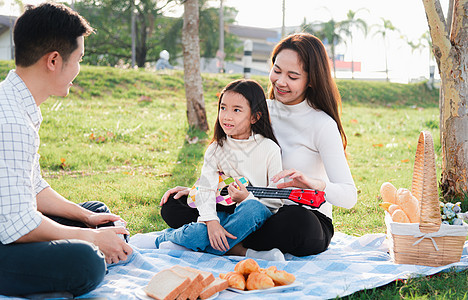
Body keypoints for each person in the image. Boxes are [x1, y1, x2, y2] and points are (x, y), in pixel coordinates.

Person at [160, 33, 357, 257]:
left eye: (292, 76)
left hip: (295, 216)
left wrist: (313, 182)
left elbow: (349, 196)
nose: (281, 82)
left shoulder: (322, 124)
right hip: (245, 208)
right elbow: (231, 160)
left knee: (297, 222)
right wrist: (204, 192)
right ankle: (237, 246)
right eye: (277, 70)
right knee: (173, 205)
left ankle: (217, 243)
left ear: (311, 80)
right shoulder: (259, 110)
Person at [0, 3, 132, 297]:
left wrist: (87, 220)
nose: (79, 69)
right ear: (54, 60)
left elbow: (33, 188)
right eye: (79, 58)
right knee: (86, 262)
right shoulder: (10, 121)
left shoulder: (20, 105)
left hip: (9, 219)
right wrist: (93, 239)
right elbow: (18, 226)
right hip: (6, 234)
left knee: (98, 213)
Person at [156, 79, 285, 261]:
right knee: (197, 230)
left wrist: (246, 198)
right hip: (222, 214)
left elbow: (276, 201)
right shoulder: (216, 148)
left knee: (252, 208)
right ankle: (164, 239)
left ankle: (190, 242)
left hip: (253, 219)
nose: (226, 116)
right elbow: (206, 189)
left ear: (255, 117)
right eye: (223, 108)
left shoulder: (269, 149)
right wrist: (211, 221)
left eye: (236, 110)